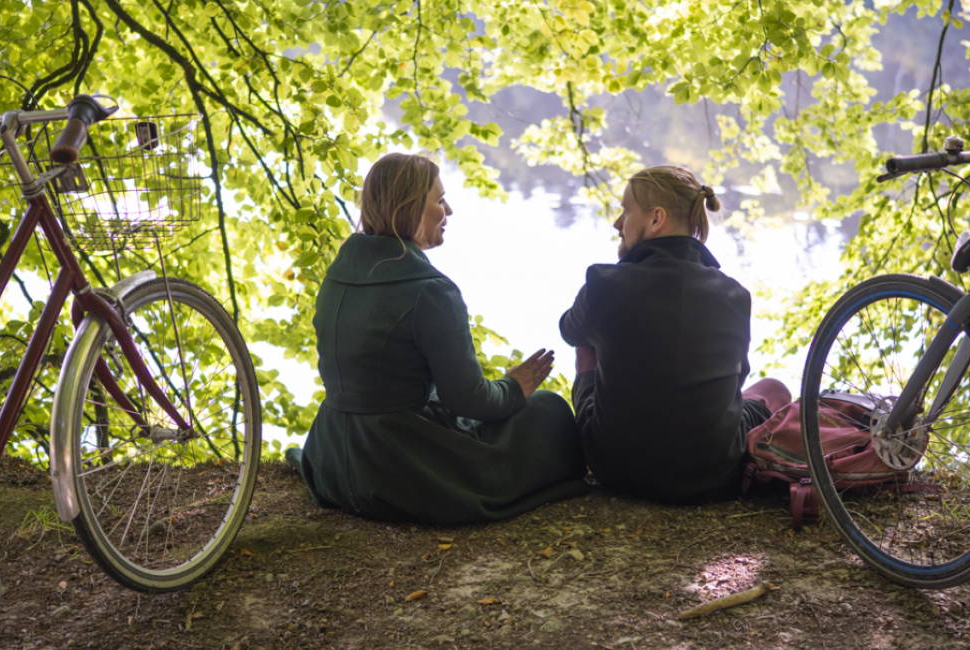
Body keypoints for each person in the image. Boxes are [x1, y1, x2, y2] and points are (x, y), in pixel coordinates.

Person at [287, 153, 589, 525]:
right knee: (550, 411)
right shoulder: (430, 290)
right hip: (395, 464)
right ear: (410, 207)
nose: (449, 210)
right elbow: (467, 399)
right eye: (440, 200)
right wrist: (513, 388)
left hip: (331, 460)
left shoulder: (337, 272)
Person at [559, 165, 792, 504]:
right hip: (715, 472)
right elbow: (736, 381)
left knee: (586, 337)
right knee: (774, 389)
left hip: (615, 467)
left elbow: (569, 332)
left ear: (657, 219)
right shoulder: (735, 295)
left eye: (626, 212)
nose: (618, 223)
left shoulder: (602, 284)